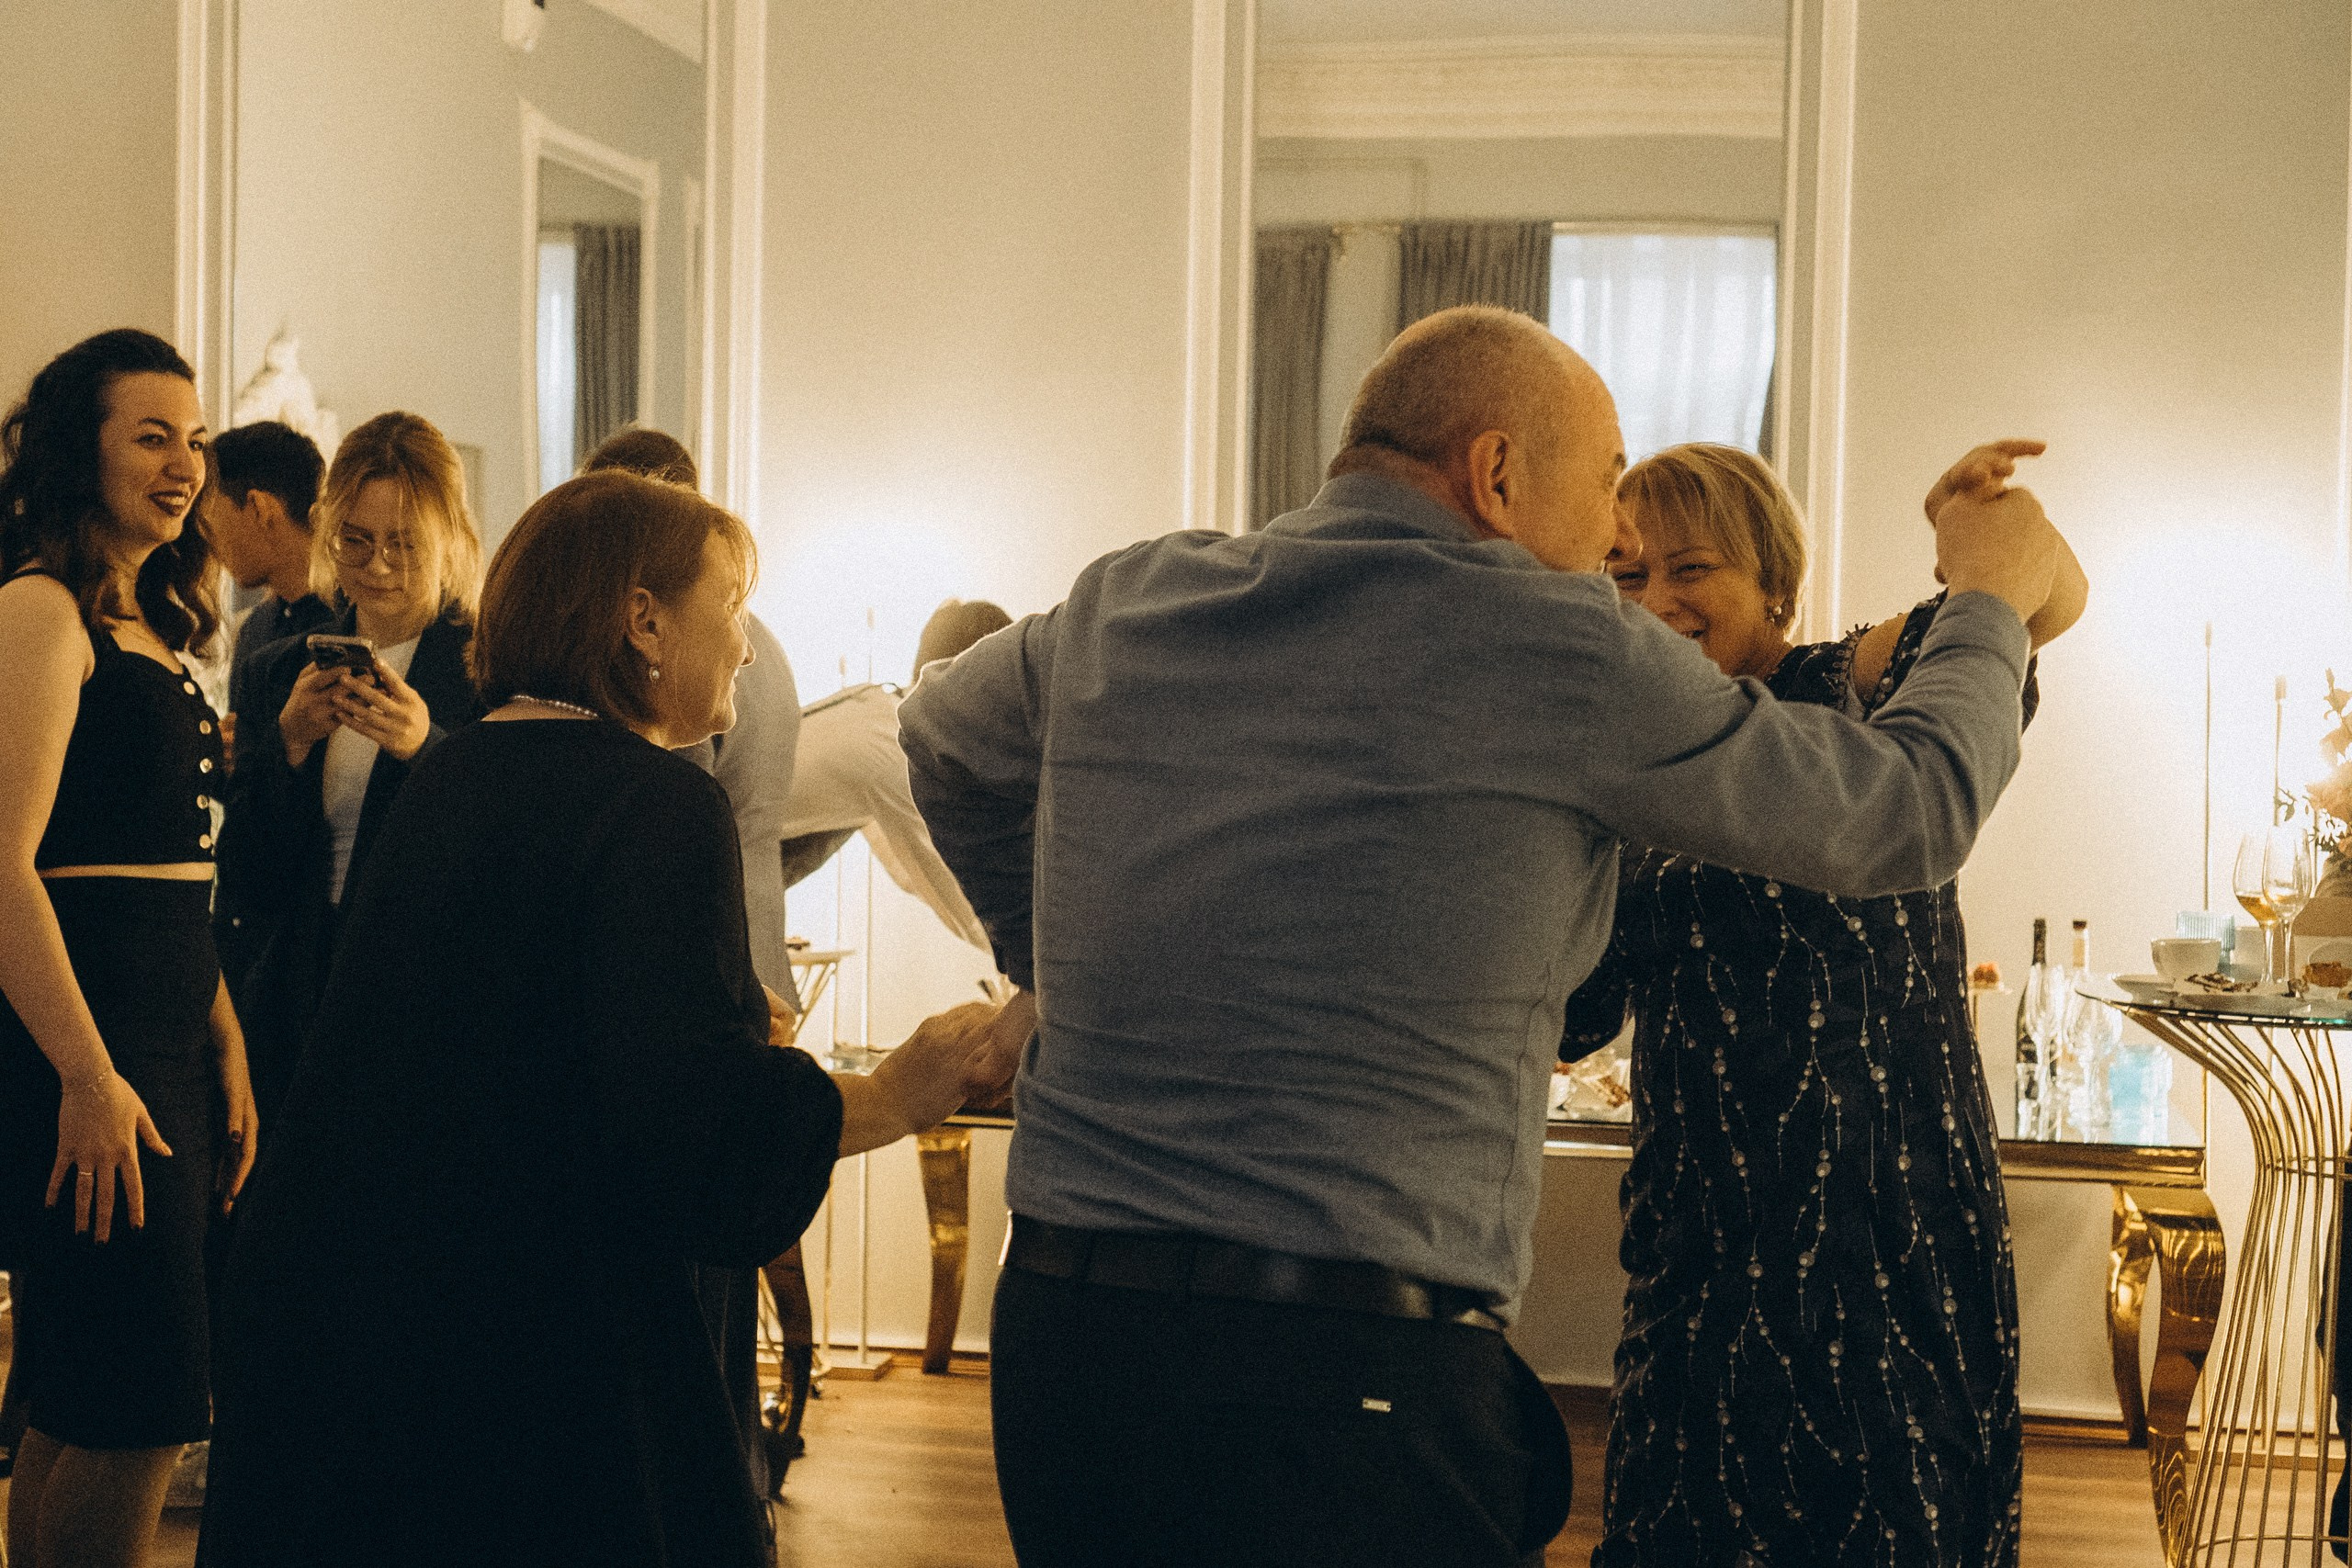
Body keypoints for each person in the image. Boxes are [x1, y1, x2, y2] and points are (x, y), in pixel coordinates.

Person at [898, 305, 2066, 1568]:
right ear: (1497, 472)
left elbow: (939, 731)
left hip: (1066, 1337)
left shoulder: (1130, 597)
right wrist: (1990, 592)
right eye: (1607, 480)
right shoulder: (1561, 644)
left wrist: (1047, 968)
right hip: (1346, 1373)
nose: (1619, 535)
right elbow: (1906, 811)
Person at [198, 470, 1023, 1567]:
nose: (745, 647)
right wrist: (893, 1093)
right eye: (731, 605)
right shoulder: (657, 802)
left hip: (364, 1329)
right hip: (536, 1352)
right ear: (643, 619)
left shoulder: (448, 773)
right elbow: (685, 1120)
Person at [1564, 441, 2085, 1568]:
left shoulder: (1827, 690)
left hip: (1883, 1243)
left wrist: (1967, 527)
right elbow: (1573, 1008)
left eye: (1690, 568)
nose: (1653, 602)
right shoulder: (1624, 765)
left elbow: (2040, 594)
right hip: (1703, 1252)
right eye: (1625, 575)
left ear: (1776, 592)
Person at [0, 329, 259, 1568]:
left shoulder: (152, 621)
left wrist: (224, 1038)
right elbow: (2, 867)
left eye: (194, 439)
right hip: (91, 1049)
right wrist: (88, 1075)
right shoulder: (41, 612)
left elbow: (175, 870)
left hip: (163, 1041)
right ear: (79, 450)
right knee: (140, 1400)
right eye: (151, 437)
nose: (185, 465)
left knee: (84, 1397)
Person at [575, 424, 801, 1506]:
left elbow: (745, 838)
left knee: (701, 1269)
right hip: (706, 966)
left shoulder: (729, 676)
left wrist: (753, 988)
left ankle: (719, 1478)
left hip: (718, 963)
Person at [215, 412, 484, 1132]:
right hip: (301, 996)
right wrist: (289, 745)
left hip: (427, 1004)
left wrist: (427, 748)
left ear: (450, 539)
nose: (378, 566)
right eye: (355, 540)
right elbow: (249, 874)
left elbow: (509, 854)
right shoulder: (278, 668)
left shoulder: (489, 671)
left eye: (404, 543)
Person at [775, 597, 1010, 949]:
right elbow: (945, 887)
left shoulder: (875, 707)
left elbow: (908, 871)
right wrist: (1022, 957)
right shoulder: (897, 751)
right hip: (708, 848)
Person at [196, 418, 332, 989]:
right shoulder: (256, 629)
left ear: (259, 508)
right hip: (249, 908)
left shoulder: (346, 628)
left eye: (210, 520)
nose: (208, 542)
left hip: (316, 922)